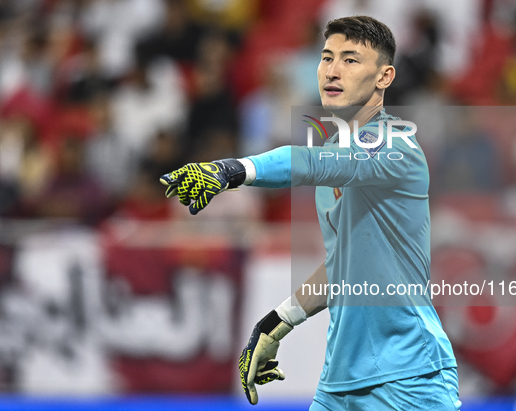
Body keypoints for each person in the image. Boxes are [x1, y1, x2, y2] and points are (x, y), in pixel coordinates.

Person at [160, 16, 461, 410]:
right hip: (339, 382)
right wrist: (276, 323)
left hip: (410, 376)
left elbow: (307, 162)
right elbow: (344, 266)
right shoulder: (335, 147)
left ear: (384, 77)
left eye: (351, 60)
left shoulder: (396, 146)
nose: (332, 71)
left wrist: (232, 170)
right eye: (326, 57)